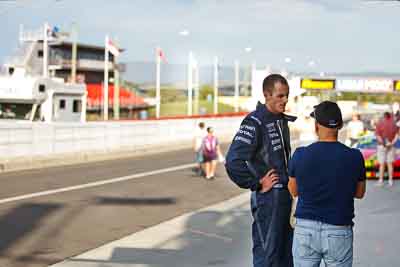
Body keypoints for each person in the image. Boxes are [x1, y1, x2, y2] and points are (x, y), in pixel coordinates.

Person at [225, 74, 296, 267]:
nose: (285, 100)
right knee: (268, 255)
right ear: (267, 94)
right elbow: (233, 162)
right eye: (280, 96)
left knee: (286, 256)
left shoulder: (281, 120)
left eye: (287, 95)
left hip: (285, 197)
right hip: (269, 198)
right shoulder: (255, 121)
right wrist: (257, 183)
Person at [288, 101, 366, 267]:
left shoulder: (301, 155)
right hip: (339, 229)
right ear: (339, 126)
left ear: (316, 126)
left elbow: (293, 191)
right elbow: (360, 193)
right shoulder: (354, 156)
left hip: (305, 230)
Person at [375, 112, 398, 186]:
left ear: (384, 116)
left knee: (382, 164)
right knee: (390, 164)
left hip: (382, 146)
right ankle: (390, 180)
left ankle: (381, 180)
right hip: (391, 146)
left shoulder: (380, 123)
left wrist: (383, 143)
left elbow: (378, 135)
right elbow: (397, 135)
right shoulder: (394, 124)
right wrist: (391, 143)